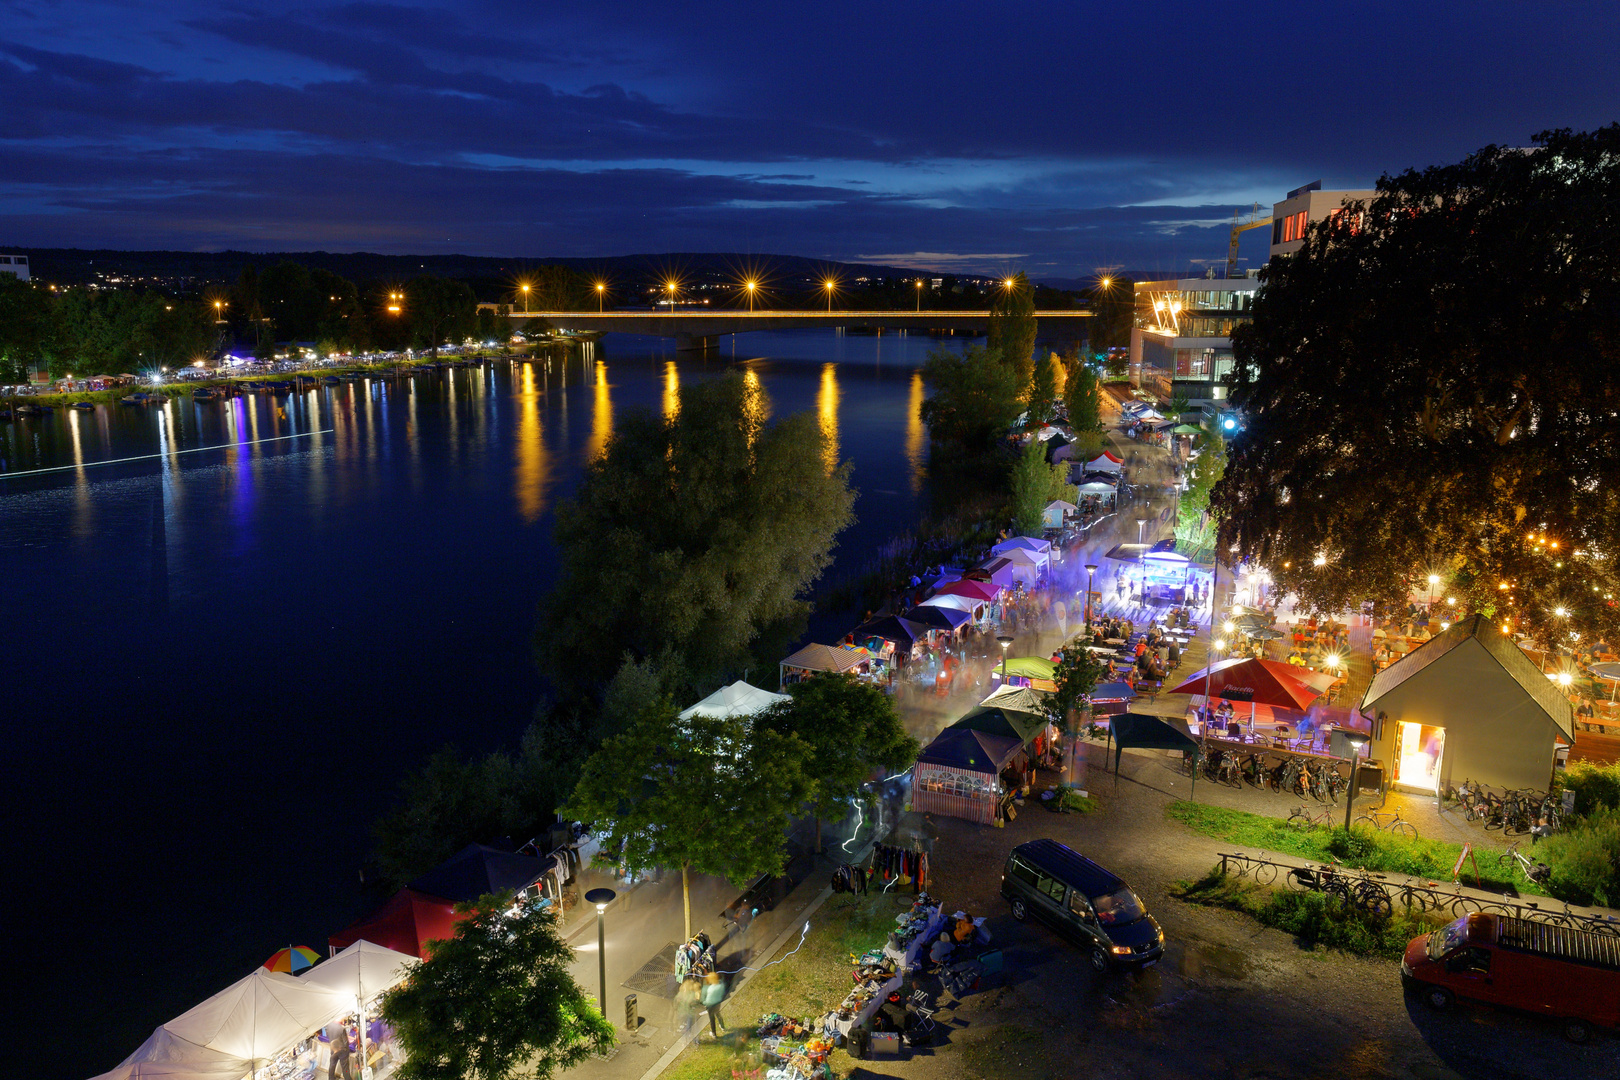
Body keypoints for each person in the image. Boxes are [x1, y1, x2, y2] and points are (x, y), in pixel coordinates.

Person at [700, 971, 728, 1039]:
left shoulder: (710, 988)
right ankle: (722, 1026)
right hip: (717, 1003)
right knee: (718, 1014)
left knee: (712, 1019)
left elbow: (706, 999)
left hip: (710, 1005)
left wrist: (704, 1003)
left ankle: (714, 1033)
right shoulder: (720, 985)